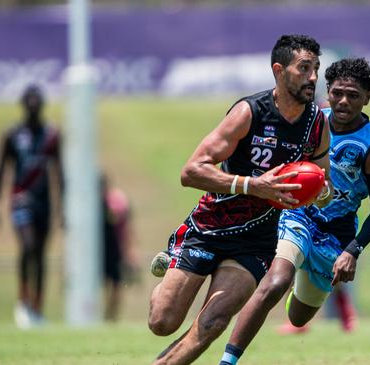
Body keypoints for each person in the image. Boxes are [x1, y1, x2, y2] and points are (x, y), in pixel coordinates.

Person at [147, 34, 332, 365]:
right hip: (209, 226)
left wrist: (318, 192)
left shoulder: (316, 123)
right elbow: (191, 171)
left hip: (256, 242)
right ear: (279, 70)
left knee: (212, 322)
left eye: (316, 69)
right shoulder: (250, 112)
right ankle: (172, 257)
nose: (313, 78)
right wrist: (253, 185)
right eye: (304, 68)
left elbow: (323, 181)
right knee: (162, 322)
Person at [218, 57, 370, 365]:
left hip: (336, 236)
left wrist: (353, 251)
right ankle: (228, 361)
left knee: (299, 318)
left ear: (367, 98)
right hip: (299, 216)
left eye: (353, 95)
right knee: (274, 283)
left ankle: (301, 277)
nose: (343, 101)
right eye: (337, 92)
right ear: (328, 90)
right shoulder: (311, 122)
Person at [0, 84, 64, 329]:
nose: (33, 108)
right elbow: (1, 169)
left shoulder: (51, 135)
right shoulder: (12, 135)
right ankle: (22, 301)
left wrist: (63, 206)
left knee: (40, 255)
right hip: (20, 201)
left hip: (44, 204)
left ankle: (37, 309)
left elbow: (59, 172)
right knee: (28, 246)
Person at [101, 174, 139, 322]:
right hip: (97, 251)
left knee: (116, 284)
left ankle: (110, 317)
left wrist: (130, 251)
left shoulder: (116, 201)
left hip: (115, 248)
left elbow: (125, 227)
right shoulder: (88, 203)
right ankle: (101, 316)